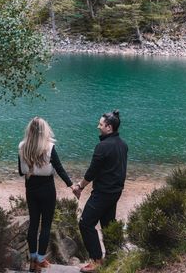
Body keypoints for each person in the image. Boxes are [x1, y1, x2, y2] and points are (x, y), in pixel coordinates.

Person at [18, 117, 77, 273]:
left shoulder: (22, 146)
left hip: (30, 189)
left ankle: (32, 260)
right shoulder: (49, 147)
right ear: (44, 131)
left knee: (33, 224)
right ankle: (40, 260)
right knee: (45, 226)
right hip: (47, 189)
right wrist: (72, 186)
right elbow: (59, 169)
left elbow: (20, 172)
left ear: (29, 130)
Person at [73, 110, 128, 273]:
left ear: (109, 127)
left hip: (103, 192)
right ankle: (113, 257)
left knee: (85, 223)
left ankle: (97, 260)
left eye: (101, 124)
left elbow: (92, 172)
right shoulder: (123, 145)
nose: (98, 126)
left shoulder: (102, 146)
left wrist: (80, 186)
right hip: (115, 191)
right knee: (107, 224)